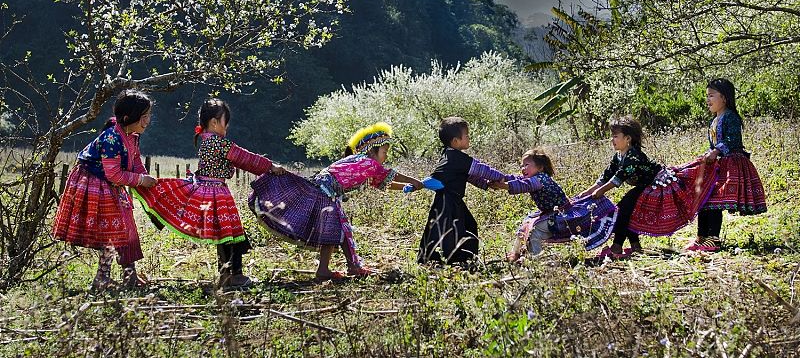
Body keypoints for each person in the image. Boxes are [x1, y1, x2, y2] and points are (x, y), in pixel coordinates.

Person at [135, 98, 284, 288]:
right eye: (225, 121)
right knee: (228, 235)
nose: (227, 126)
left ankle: (228, 275)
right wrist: (270, 166)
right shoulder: (218, 143)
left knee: (226, 235)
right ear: (214, 122)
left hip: (211, 190)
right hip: (217, 194)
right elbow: (245, 158)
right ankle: (232, 276)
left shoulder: (207, 140)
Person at [249, 122, 423, 282]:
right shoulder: (368, 163)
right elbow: (389, 174)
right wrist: (414, 181)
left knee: (341, 229)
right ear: (372, 151)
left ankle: (350, 267)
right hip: (325, 193)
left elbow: (381, 183)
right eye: (384, 152)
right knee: (334, 230)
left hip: (324, 192)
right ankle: (330, 269)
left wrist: (406, 187)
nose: (386, 156)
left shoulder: (362, 163)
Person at [53, 89, 157, 290]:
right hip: (95, 184)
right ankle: (102, 279)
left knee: (126, 227)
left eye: (148, 115)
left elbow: (135, 161)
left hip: (111, 185)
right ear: (127, 118)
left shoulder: (132, 136)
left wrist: (147, 180)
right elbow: (114, 174)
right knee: (111, 232)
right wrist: (141, 180)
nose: (147, 121)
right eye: (143, 116)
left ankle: (129, 276)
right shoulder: (112, 138)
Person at [683, 79, 767, 251]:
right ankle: (701, 237)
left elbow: (732, 140)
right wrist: (708, 154)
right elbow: (713, 144)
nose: (707, 100)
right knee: (704, 198)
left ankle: (713, 240)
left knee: (713, 200)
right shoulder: (714, 120)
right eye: (707, 96)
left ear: (724, 98)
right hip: (718, 165)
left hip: (732, 164)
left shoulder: (731, 117)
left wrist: (716, 152)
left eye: (711, 96)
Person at [417, 116, 514, 265]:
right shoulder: (458, 158)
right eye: (466, 135)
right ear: (456, 141)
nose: (469, 138)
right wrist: (503, 177)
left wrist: (486, 185)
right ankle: (441, 260)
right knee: (447, 230)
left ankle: (460, 259)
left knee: (461, 226)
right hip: (448, 202)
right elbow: (481, 169)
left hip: (451, 200)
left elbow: (469, 176)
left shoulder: (450, 155)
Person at [490, 149, 617, 261]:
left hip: (562, 215)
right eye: (522, 165)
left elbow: (523, 185)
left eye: (527, 165)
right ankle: (516, 254)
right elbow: (517, 179)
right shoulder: (534, 177)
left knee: (535, 230)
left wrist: (502, 185)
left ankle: (535, 260)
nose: (523, 168)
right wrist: (503, 178)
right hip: (551, 213)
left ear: (540, 167)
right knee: (525, 224)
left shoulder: (540, 179)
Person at [581, 116, 661, 260]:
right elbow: (606, 176)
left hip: (653, 185)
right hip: (642, 186)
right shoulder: (618, 156)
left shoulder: (634, 155)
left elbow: (619, 177)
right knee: (626, 211)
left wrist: (601, 191)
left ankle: (616, 247)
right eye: (612, 136)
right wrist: (588, 191)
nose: (612, 140)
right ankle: (635, 246)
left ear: (628, 138)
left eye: (616, 136)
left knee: (622, 211)